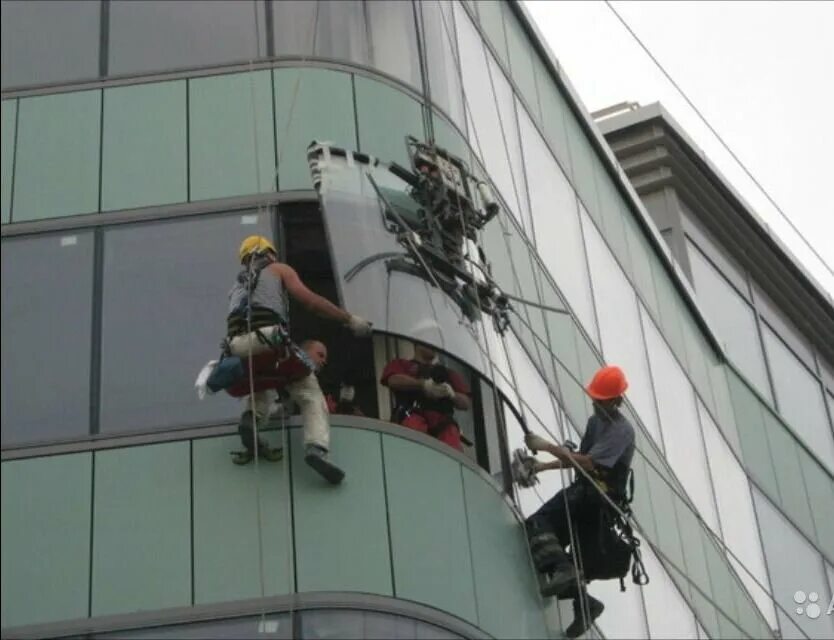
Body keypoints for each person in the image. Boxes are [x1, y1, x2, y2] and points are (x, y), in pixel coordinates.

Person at [224, 235, 371, 484]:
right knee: (310, 393)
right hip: (268, 337)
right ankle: (316, 448)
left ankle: (251, 419)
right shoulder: (278, 269)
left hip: (238, 347)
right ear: (269, 253)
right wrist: (348, 319)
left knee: (260, 381)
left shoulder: (236, 286)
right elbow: (311, 302)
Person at [524, 365, 635, 639]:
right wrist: (542, 467)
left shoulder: (622, 431)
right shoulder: (595, 422)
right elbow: (577, 458)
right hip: (586, 491)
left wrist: (547, 446)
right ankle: (585, 604)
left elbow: (588, 462)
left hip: (598, 496)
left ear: (617, 400)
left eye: (602, 400)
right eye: (595, 399)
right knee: (545, 549)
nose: (596, 404)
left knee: (538, 523)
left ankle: (567, 573)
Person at [380, 342, 471, 451]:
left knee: (451, 440)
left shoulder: (448, 373)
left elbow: (465, 403)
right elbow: (393, 380)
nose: (433, 345)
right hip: (412, 417)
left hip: (442, 424)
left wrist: (451, 394)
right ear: (417, 343)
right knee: (414, 433)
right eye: (429, 341)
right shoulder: (402, 364)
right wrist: (422, 384)